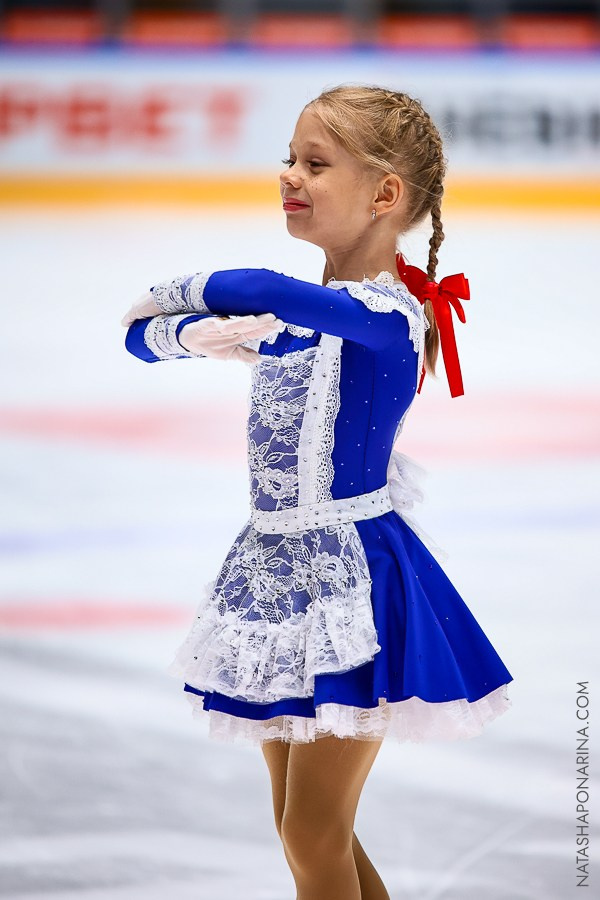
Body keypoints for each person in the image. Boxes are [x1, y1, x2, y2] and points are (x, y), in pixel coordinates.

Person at [121, 84, 514, 900]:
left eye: (315, 163)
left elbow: (256, 285)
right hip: (272, 574)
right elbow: (137, 340)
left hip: (353, 577)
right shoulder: (310, 318)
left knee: (312, 829)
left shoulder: (390, 316)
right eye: (288, 159)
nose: (289, 176)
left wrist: (180, 306)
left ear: (384, 194)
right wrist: (188, 331)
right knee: (304, 828)